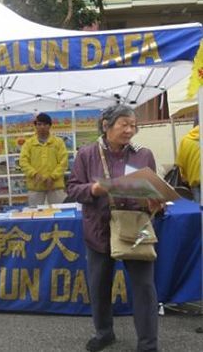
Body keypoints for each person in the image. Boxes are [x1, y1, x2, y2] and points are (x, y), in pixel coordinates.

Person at [67, 104, 164, 352]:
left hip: (135, 228)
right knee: (99, 285)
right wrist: (93, 189)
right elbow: (73, 189)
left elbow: (153, 191)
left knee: (144, 288)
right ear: (106, 125)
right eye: (124, 124)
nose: (130, 130)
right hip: (99, 229)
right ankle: (104, 332)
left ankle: (148, 344)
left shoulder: (143, 154)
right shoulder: (87, 154)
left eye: (133, 125)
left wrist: (156, 201)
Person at [19, 112, 68, 206]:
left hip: (55, 186)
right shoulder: (28, 143)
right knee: (35, 215)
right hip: (35, 186)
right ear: (35, 126)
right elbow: (23, 162)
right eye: (39, 124)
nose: (42, 127)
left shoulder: (58, 142)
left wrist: (52, 177)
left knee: (60, 213)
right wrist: (34, 174)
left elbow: (63, 162)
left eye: (45, 124)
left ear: (50, 126)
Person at [176, 121, 200, 203]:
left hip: (195, 184)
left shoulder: (185, 140)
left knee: (199, 212)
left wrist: (186, 177)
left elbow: (180, 164)